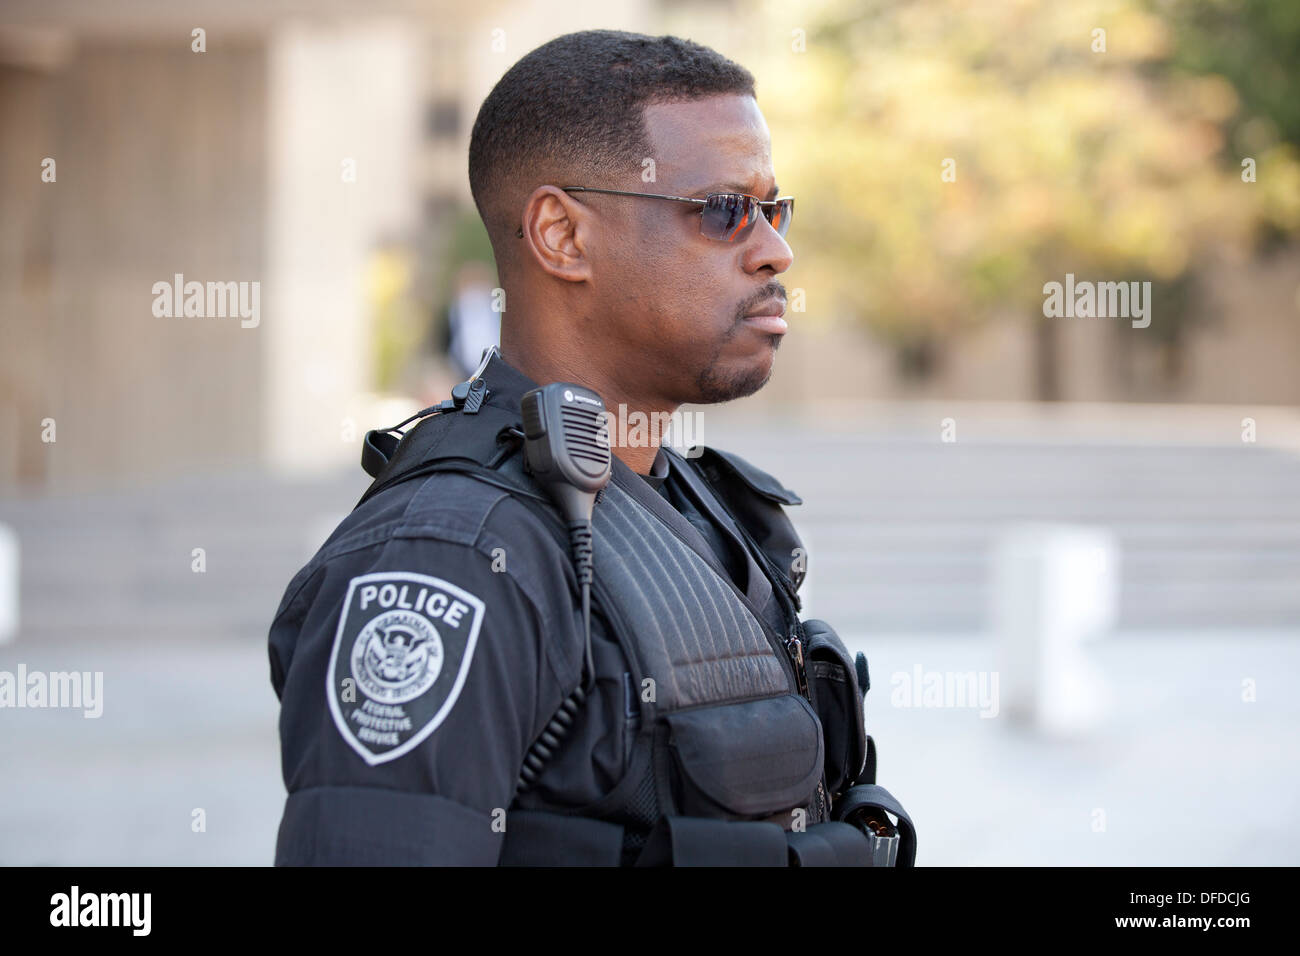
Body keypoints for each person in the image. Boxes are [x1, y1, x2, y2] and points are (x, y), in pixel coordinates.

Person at [268, 28, 914, 866]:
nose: (775, 251)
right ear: (563, 237)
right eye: (723, 211)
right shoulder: (448, 556)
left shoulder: (701, 502)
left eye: (773, 209)